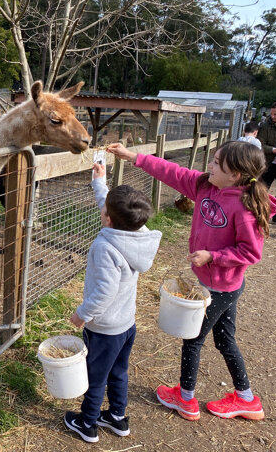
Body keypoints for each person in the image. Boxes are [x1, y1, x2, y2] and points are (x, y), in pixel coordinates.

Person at [107, 140, 276, 422]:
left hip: (221, 287)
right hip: (219, 285)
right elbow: (172, 172)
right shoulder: (205, 187)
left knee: (193, 339)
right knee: (224, 339)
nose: (209, 166)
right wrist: (133, 156)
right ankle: (246, 398)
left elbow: (250, 252)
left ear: (235, 174)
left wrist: (213, 256)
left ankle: (185, 399)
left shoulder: (244, 207)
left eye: (216, 163)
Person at [64, 162, 162, 443]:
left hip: (104, 327)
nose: (102, 212)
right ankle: (117, 417)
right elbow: (111, 209)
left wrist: (83, 314)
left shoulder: (105, 246)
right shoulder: (137, 234)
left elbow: (105, 290)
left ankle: (88, 423)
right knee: (118, 371)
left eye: (104, 210)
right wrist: (100, 183)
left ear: (108, 218)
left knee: (95, 376)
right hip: (126, 323)